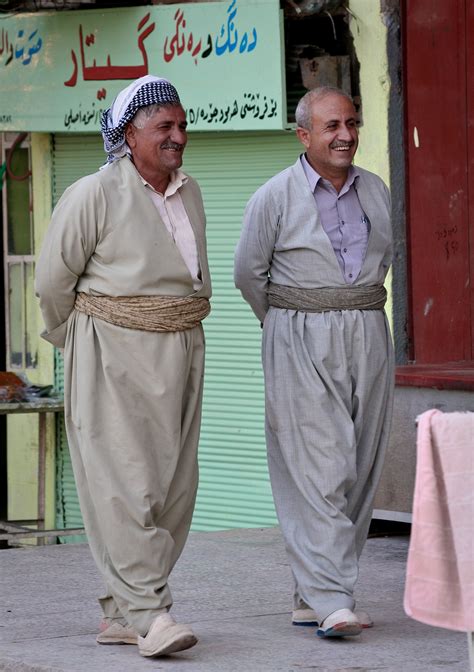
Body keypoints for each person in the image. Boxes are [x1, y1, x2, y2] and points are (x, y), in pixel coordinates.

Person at [35, 75, 212, 658]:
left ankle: (120, 612)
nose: (177, 136)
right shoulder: (93, 193)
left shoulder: (190, 193)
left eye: (181, 125)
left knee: (173, 490)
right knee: (125, 486)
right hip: (111, 351)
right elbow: (53, 285)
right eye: (164, 126)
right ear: (130, 133)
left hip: (182, 348)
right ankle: (151, 614)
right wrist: (84, 343)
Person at [234, 86, 394, 639]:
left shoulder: (375, 189)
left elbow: (385, 259)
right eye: (331, 125)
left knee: (360, 465)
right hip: (298, 333)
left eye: (351, 122)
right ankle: (332, 598)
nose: (345, 134)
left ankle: (311, 594)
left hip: (368, 330)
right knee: (319, 466)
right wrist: (285, 327)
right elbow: (248, 274)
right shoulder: (273, 196)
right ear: (304, 136)